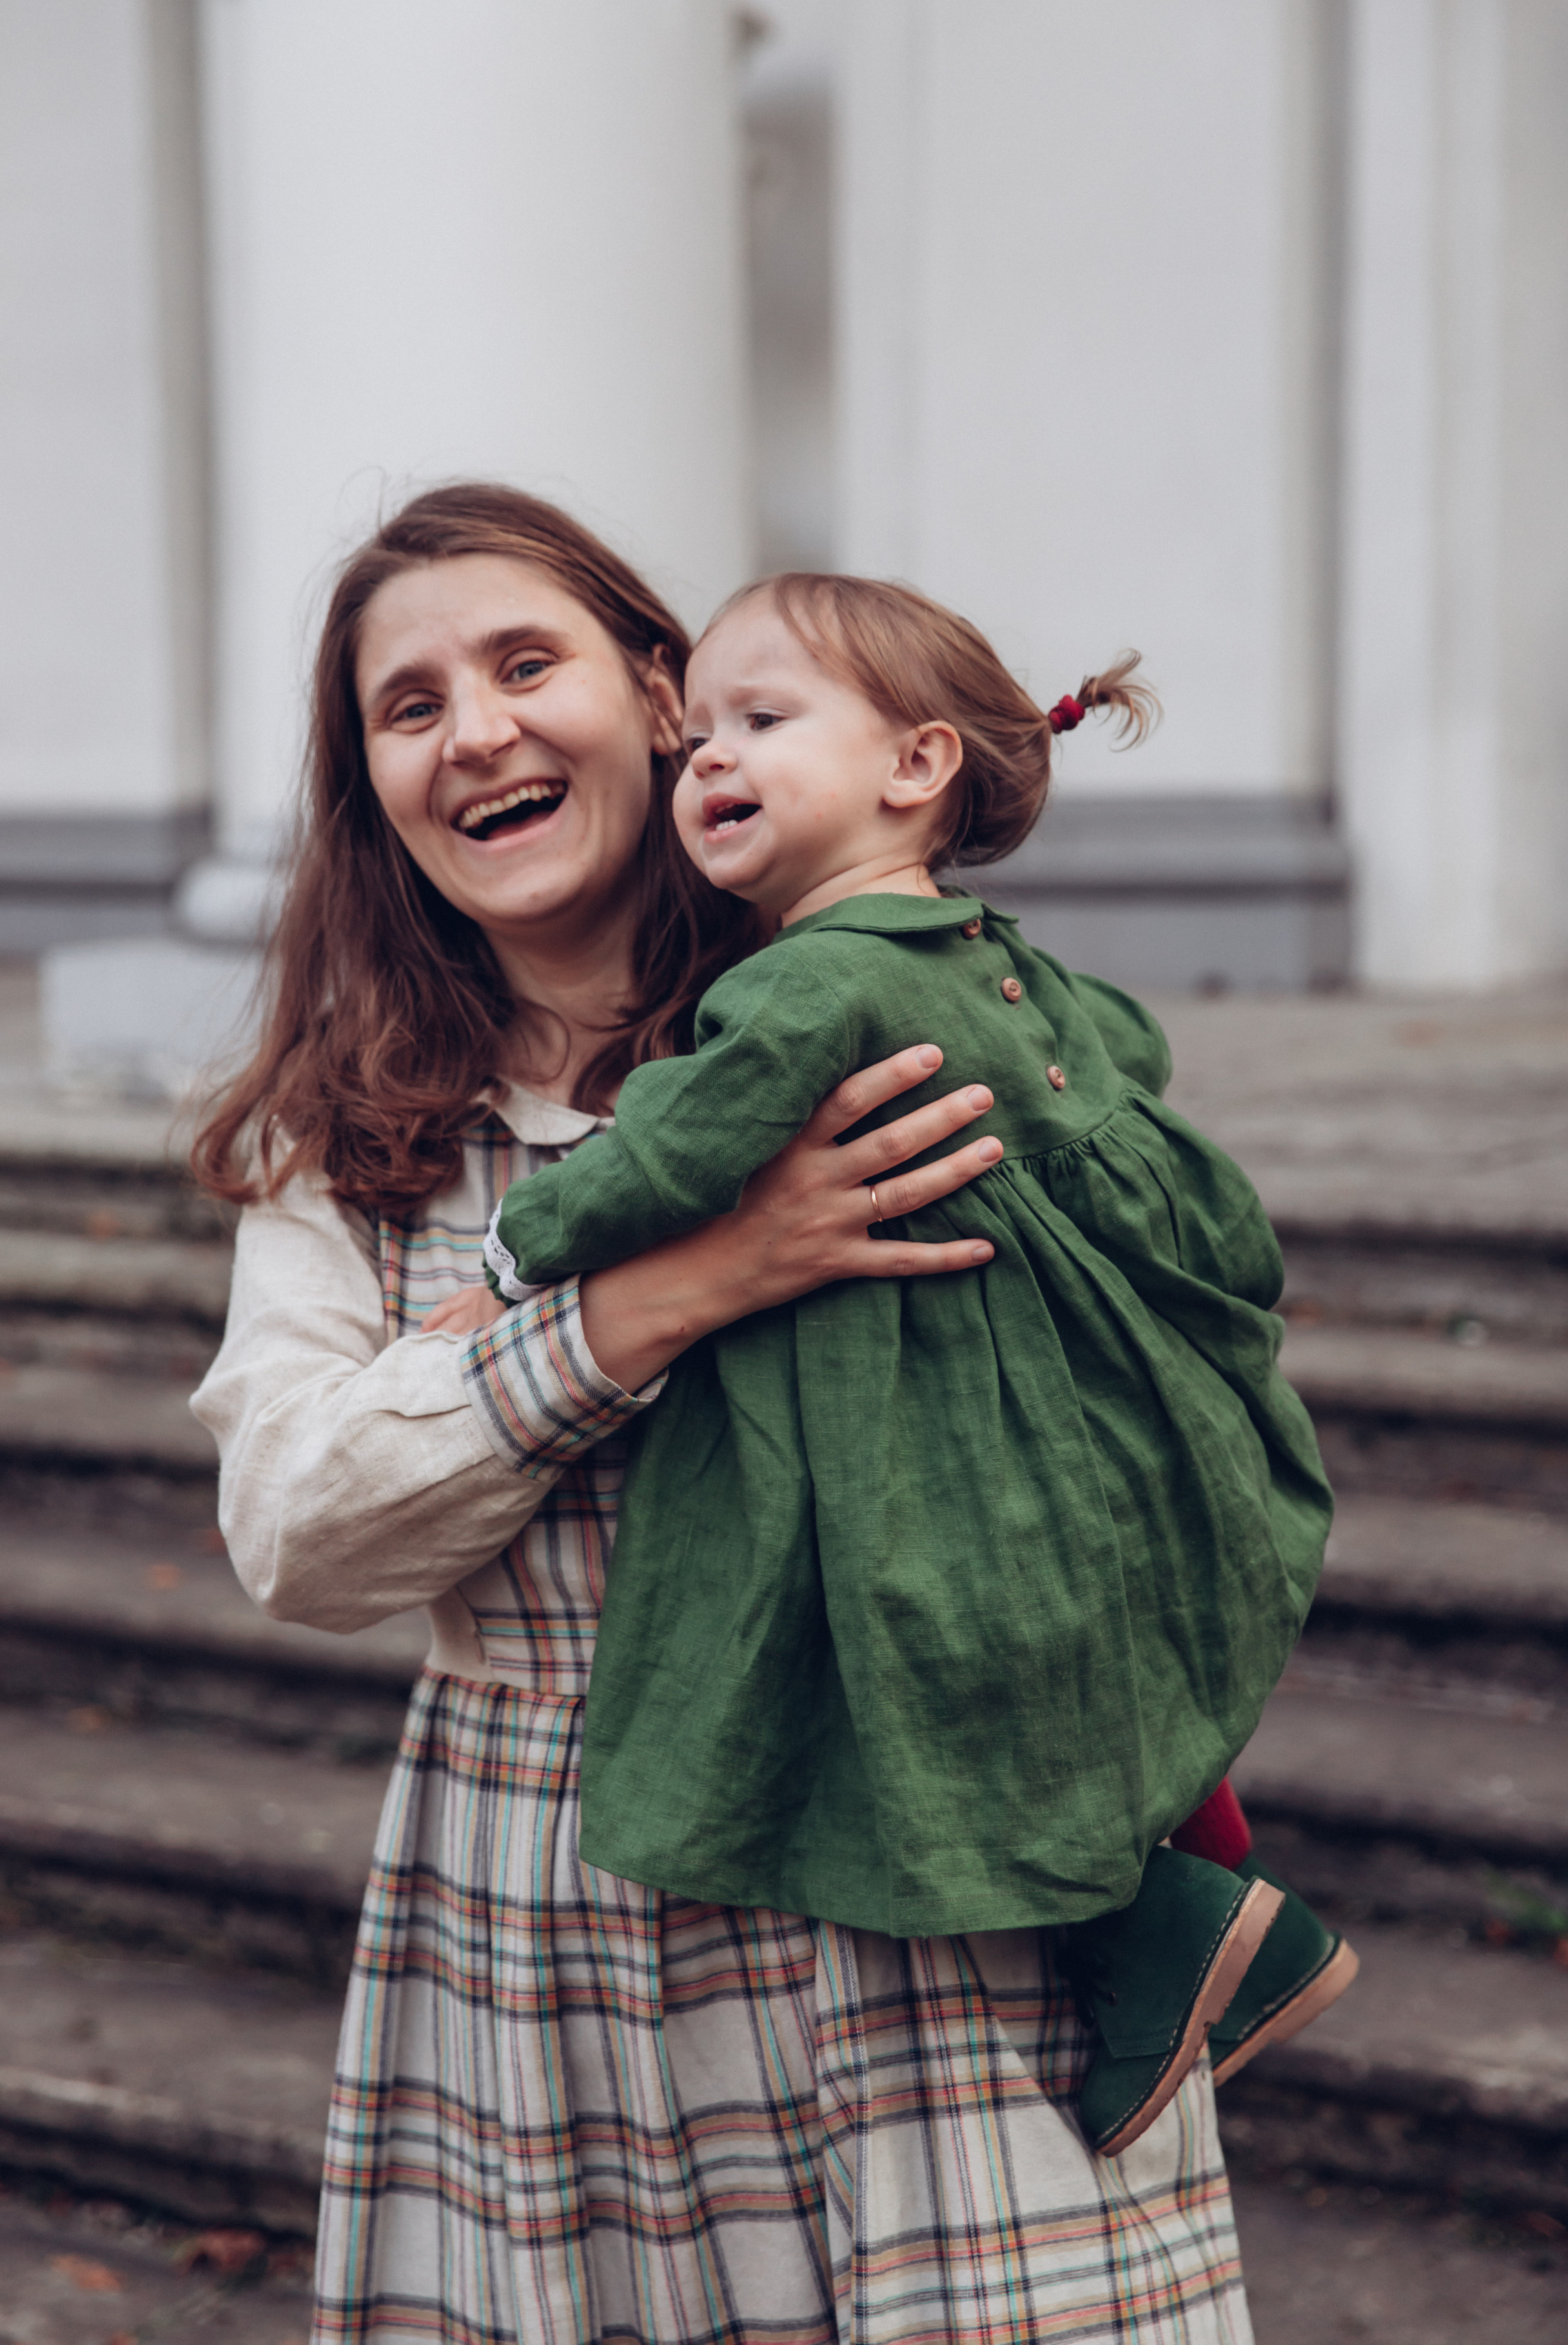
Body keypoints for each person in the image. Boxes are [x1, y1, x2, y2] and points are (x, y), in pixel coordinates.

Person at [192, 484, 1261, 2344]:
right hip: (549, 1882)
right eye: (411, 707)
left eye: (526, 665)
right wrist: (670, 1292)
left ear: (661, 698)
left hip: (915, 1837)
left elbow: (1141, 1375)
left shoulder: (887, 1020)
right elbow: (299, 1533)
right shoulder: (349, 1141)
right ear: (373, 790)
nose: (478, 732)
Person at [478, 573, 1355, 2153]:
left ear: (915, 764)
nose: (708, 759)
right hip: (1094, 1409)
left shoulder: (803, 981)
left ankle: (1170, 1928)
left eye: (761, 719)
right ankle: (1187, 1922)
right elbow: (1130, 1065)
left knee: (895, 1661)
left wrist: (511, 1248)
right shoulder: (988, 952)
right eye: (697, 738)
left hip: (939, 1414)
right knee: (1043, 1670)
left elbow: (669, 1150)